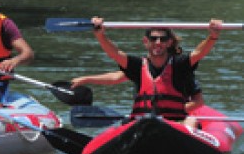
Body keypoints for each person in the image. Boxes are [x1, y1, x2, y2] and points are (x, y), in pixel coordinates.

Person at [87, 17, 222, 126]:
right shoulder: (137, 65)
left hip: (175, 124)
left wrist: (213, 36)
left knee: (191, 121)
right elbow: (114, 53)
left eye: (163, 39)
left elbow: (199, 52)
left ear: (169, 43)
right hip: (142, 124)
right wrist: (100, 35)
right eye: (153, 39)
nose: (158, 42)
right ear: (146, 41)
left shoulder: (179, 65)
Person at [71, 70, 204, 126]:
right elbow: (115, 78)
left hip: (176, 120)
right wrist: (86, 79)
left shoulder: (183, 72)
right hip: (143, 119)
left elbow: (199, 102)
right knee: (128, 124)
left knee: (191, 121)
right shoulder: (142, 67)